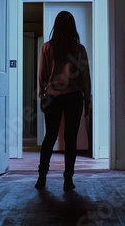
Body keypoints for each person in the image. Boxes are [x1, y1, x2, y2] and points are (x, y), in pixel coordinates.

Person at [35, 11, 91, 191]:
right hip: (74, 97)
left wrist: (42, 95)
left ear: (55, 27)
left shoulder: (46, 48)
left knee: (49, 137)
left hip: (52, 97)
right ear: (72, 26)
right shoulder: (79, 49)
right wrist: (87, 99)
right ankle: (68, 180)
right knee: (71, 139)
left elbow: (42, 76)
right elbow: (85, 78)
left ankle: (42, 177)